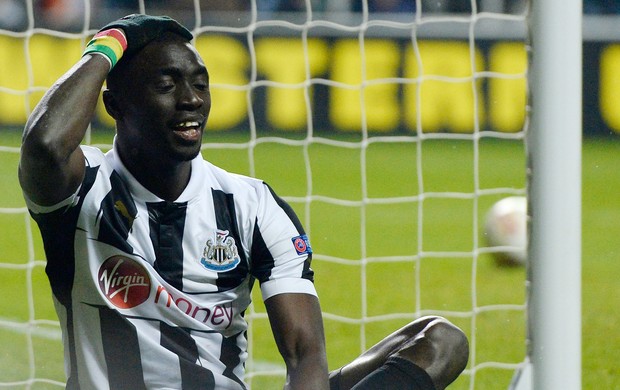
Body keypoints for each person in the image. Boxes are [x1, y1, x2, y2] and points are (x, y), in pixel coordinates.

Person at [18, 14, 468, 390]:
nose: (191, 100)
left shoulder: (250, 204)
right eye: (166, 84)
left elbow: (305, 354)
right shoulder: (83, 188)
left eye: (199, 83)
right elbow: (45, 145)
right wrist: (110, 45)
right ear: (114, 105)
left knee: (441, 341)